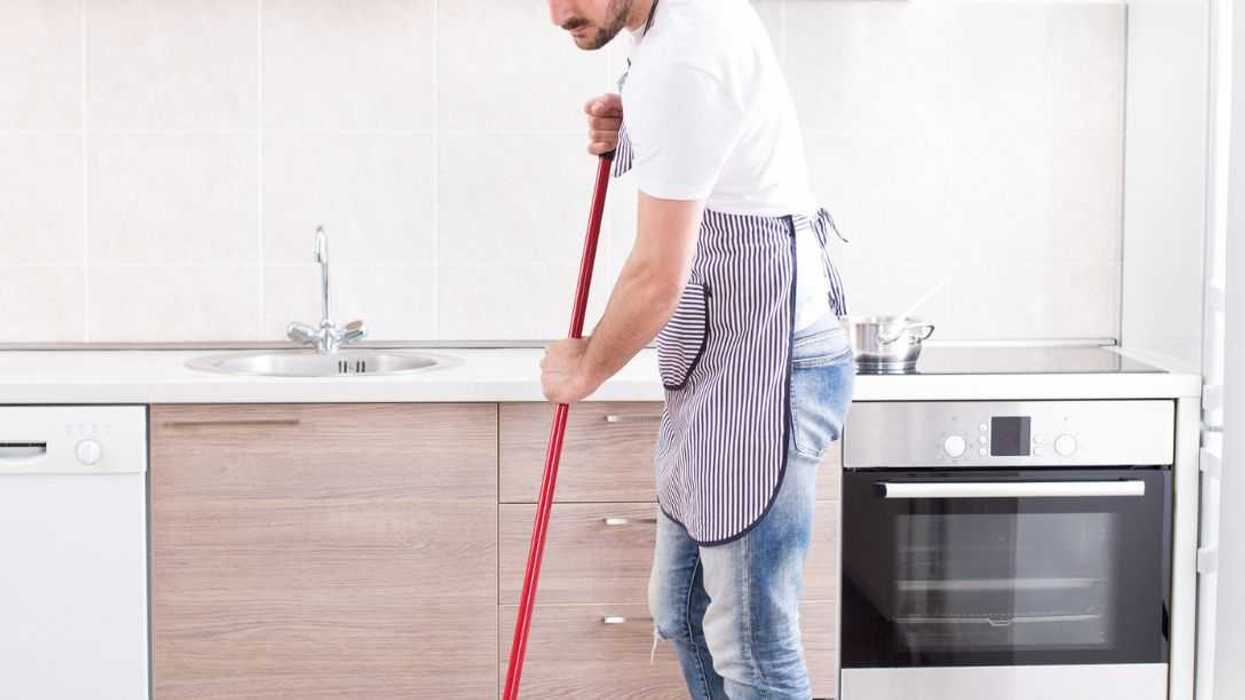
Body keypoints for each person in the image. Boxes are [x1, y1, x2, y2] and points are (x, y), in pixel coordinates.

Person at [540, 1, 857, 697]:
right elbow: (713, 138)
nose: (559, 13)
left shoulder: (685, 55)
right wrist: (637, 125)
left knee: (753, 648)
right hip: (722, 363)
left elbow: (659, 274)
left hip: (769, 369)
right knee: (682, 612)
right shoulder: (668, 30)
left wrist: (584, 367)